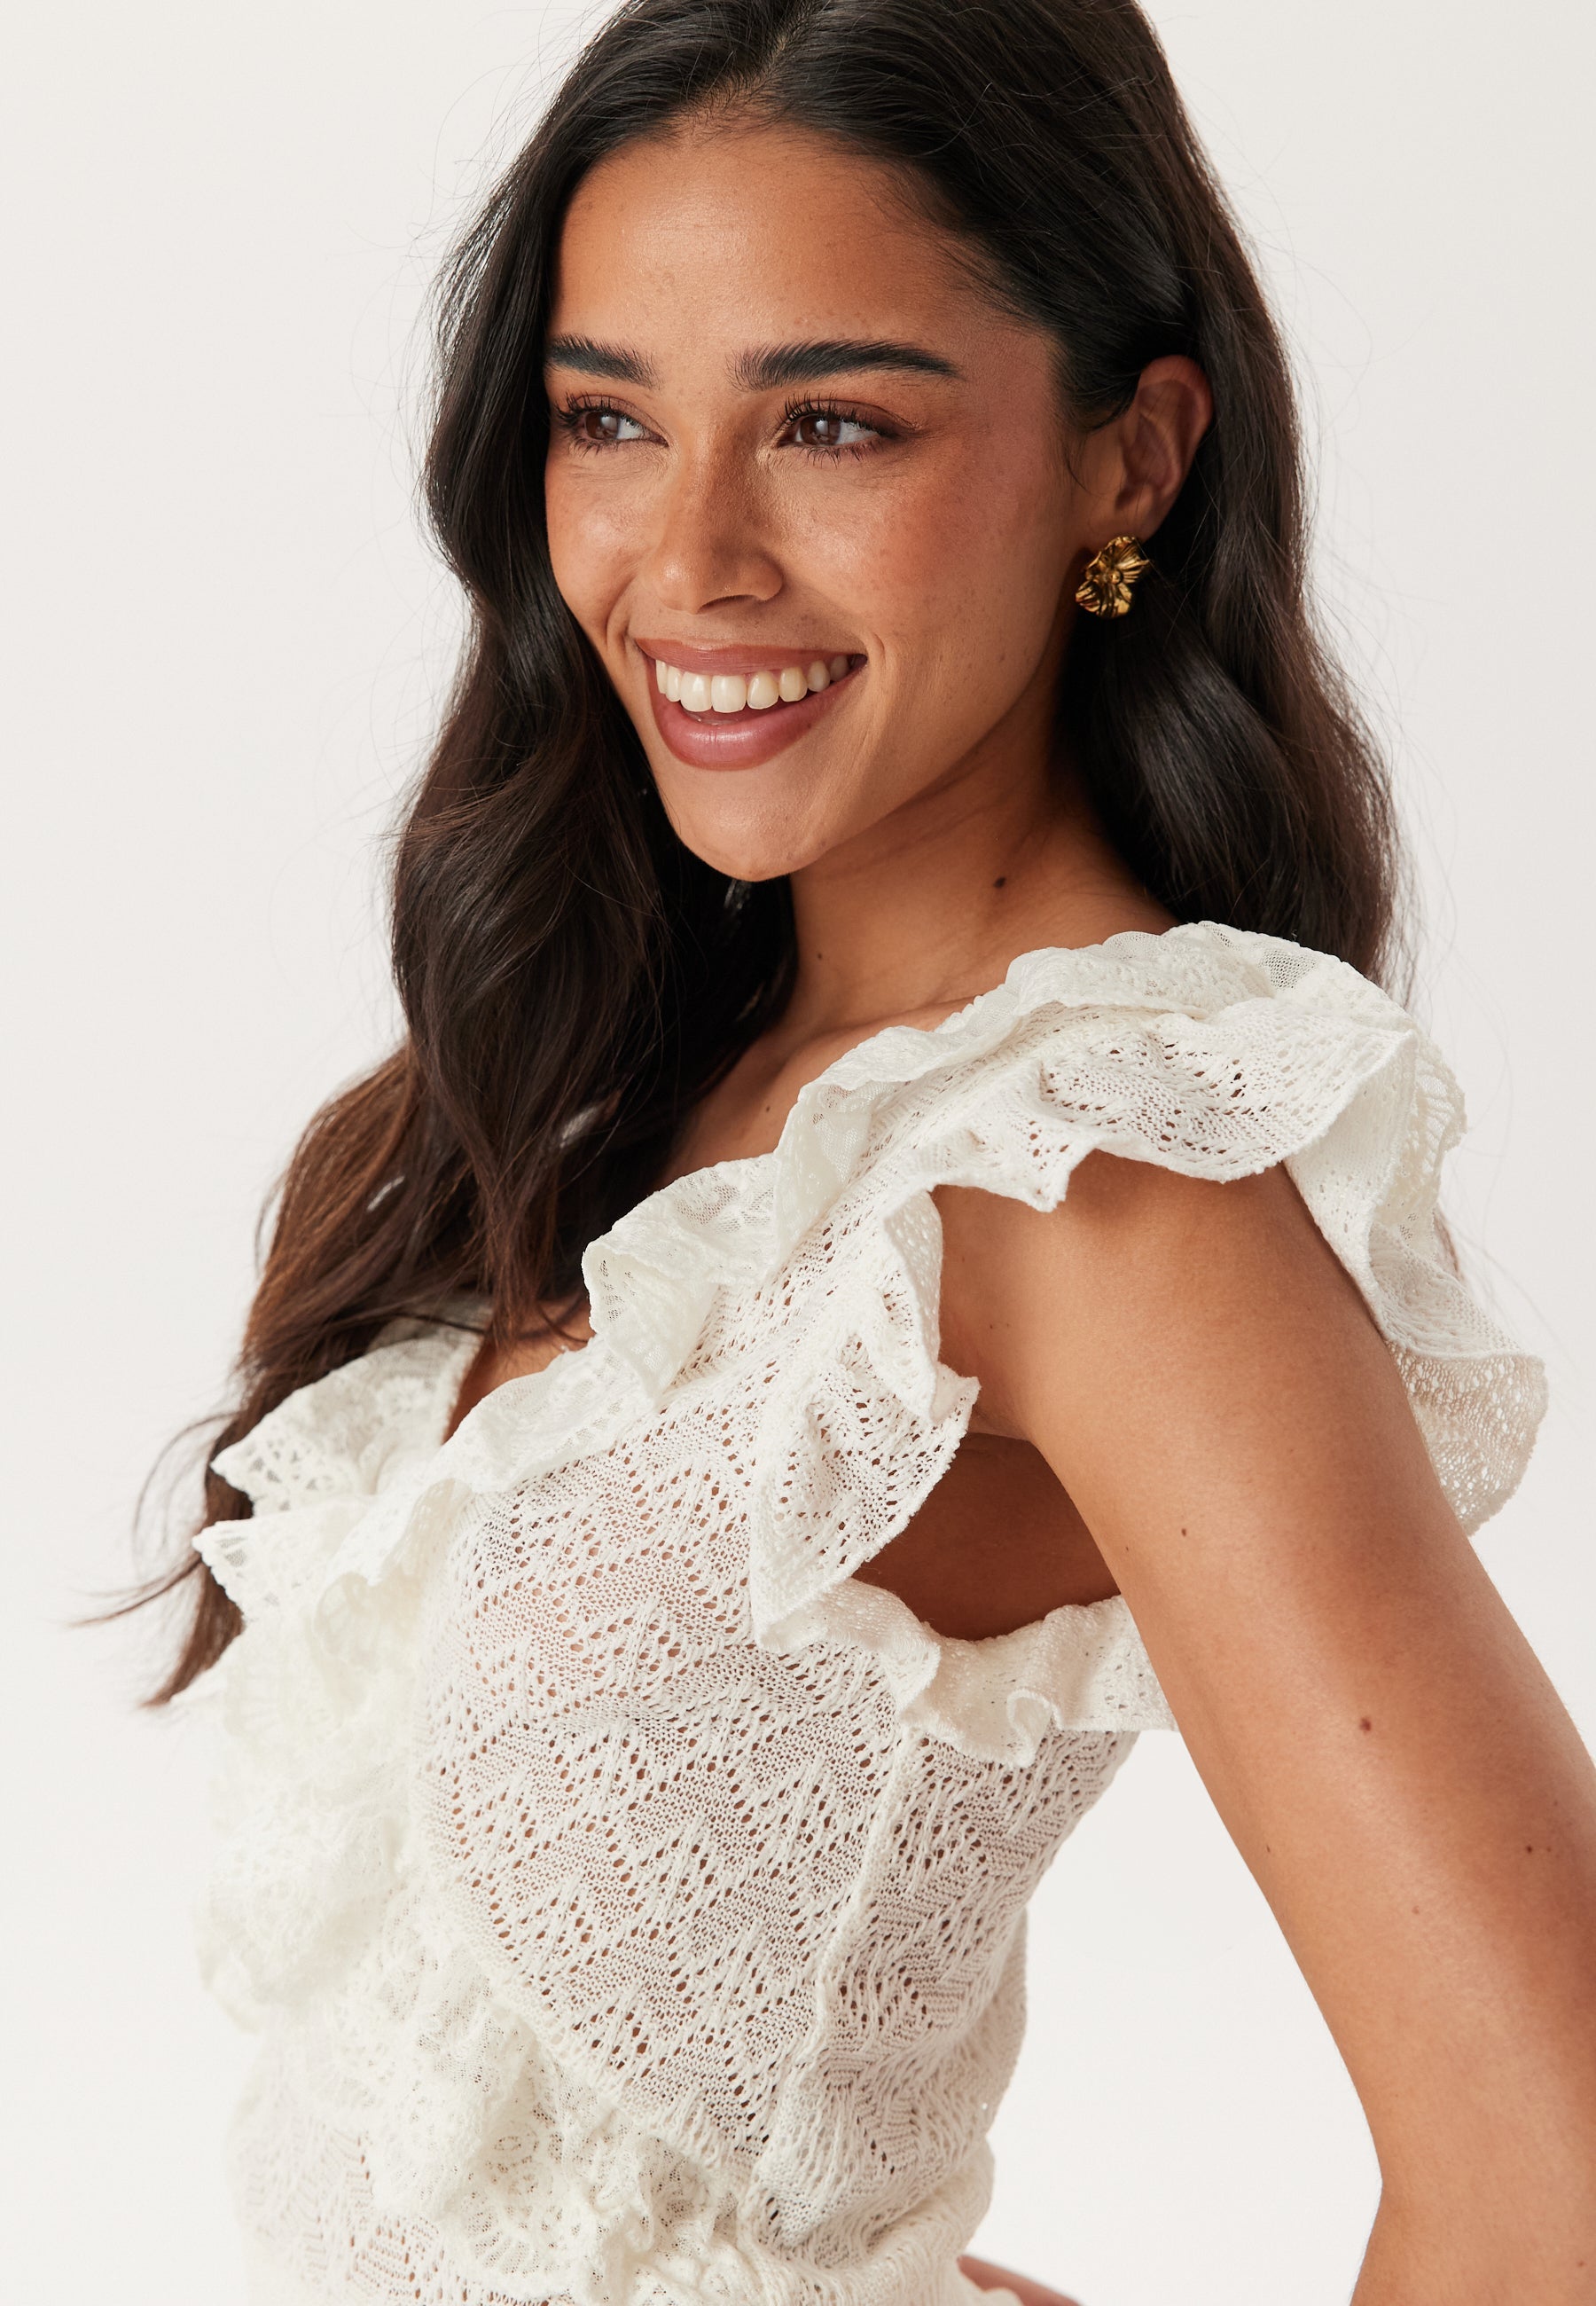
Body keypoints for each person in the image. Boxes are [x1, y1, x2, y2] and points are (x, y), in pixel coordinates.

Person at [153, 1, 1596, 2300]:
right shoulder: (662, 1066)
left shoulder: (1093, 1178)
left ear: (1131, 460)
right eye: (608, 418)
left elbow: (1555, 2177)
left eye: (833, 423)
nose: (690, 558)